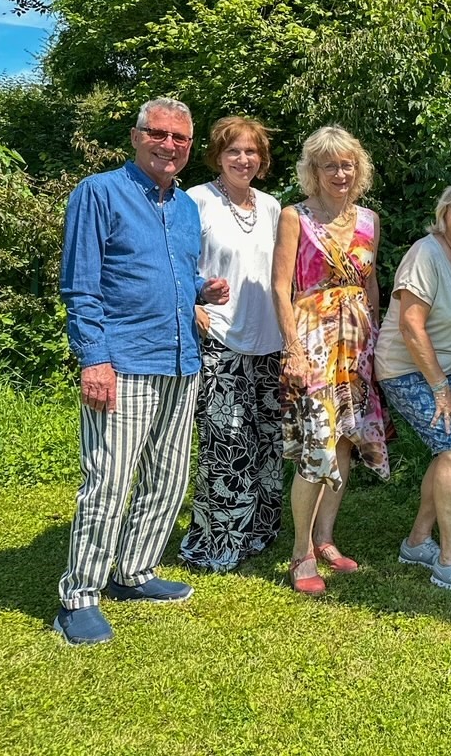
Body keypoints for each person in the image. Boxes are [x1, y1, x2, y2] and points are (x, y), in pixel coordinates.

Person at [54, 98, 230, 645]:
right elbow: (81, 285)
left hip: (181, 360)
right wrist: (94, 358)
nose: (169, 145)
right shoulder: (99, 193)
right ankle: (80, 596)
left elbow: (170, 274)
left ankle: (134, 571)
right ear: (136, 137)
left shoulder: (186, 207)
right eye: (158, 133)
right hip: (123, 361)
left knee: (169, 477)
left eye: (180, 138)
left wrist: (202, 290)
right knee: (108, 480)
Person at [274, 125, 390, 596]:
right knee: (318, 442)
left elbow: (370, 285)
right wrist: (292, 349)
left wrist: (377, 344)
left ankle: (325, 538)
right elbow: (280, 287)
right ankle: (300, 552)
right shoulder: (294, 217)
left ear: (358, 170)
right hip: (314, 342)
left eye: (347, 165)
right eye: (330, 166)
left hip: (357, 343)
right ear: (314, 171)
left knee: (345, 439)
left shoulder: (370, 220)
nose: (340, 174)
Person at [376, 182, 451, 594]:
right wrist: (441, 389)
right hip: (405, 368)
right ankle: (449, 559)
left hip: (446, 369)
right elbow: (411, 326)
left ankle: (416, 542)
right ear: (443, 215)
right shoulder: (425, 254)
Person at [179, 117, 284, 572]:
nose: (244, 159)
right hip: (220, 338)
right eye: (233, 151)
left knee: (268, 442)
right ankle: (218, 541)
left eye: (251, 151)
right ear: (217, 157)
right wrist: (193, 303)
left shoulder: (273, 206)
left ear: (262, 159)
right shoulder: (196, 200)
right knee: (228, 443)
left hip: (270, 340)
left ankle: (260, 531)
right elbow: (174, 263)